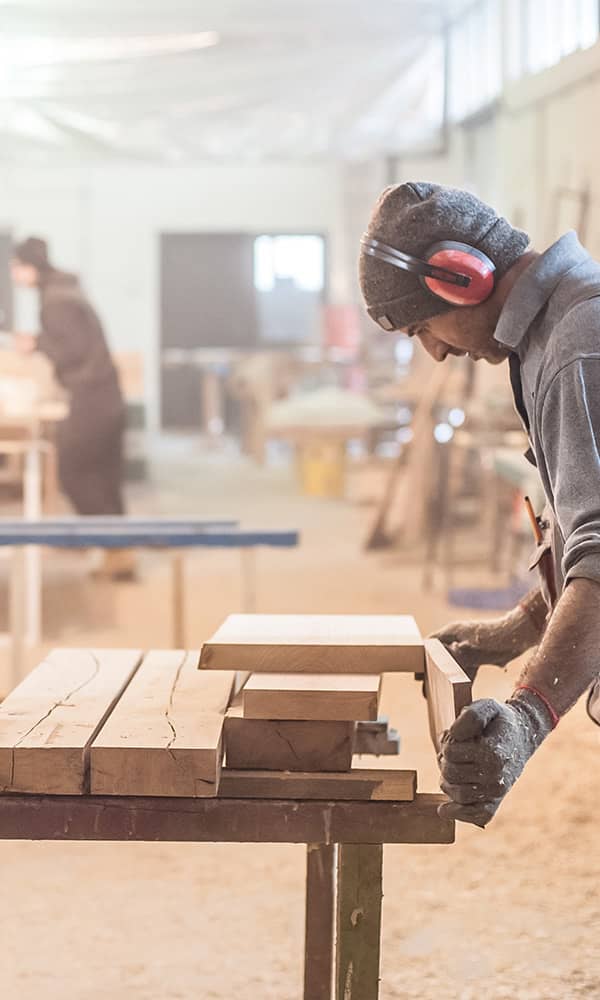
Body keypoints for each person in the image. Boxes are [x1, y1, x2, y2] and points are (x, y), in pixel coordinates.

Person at [359, 181, 600, 828]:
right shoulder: (554, 335)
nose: (434, 350)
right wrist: (516, 630)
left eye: (421, 326)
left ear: (461, 278)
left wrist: (525, 717)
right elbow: (578, 529)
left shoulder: (579, 343)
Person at [11, 236, 133, 578]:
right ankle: (120, 555)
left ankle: (115, 547)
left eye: (16, 268)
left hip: (92, 396)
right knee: (105, 478)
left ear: (29, 267)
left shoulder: (55, 301)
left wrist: (34, 343)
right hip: (106, 393)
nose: (13, 275)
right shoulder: (65, 290)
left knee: (73, 472)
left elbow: (72, 351)